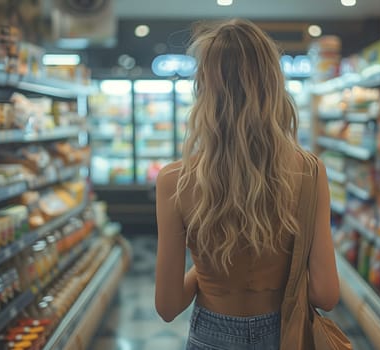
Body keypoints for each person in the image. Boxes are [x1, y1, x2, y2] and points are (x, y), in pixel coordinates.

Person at [155, 18, 339, 350]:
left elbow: (167, 306)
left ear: (204, 90)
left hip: (210, 334)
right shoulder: (309, 171)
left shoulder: (174, 180)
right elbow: (325, 294)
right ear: (273, 85)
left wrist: (207, 268)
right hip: (284, 333)